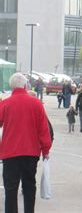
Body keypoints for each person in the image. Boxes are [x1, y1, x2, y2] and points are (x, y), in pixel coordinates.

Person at [0, 73, 52, 213]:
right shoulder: (36, 104)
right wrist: (45, 150)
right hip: (31, 152)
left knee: (10, 189)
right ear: (25, 86)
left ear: (11, 88)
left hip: (10, 153)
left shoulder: (5, 104)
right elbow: (43, 129)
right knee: (29, 186)